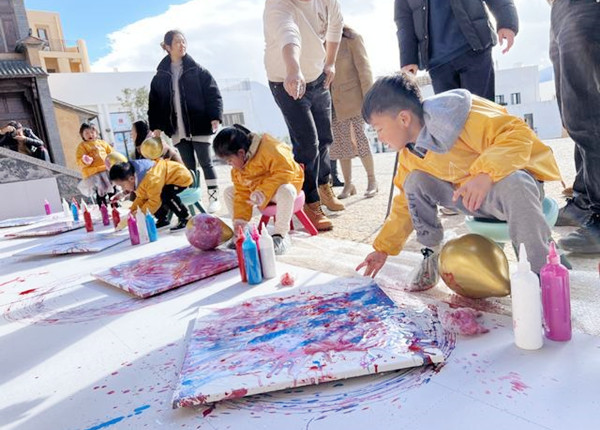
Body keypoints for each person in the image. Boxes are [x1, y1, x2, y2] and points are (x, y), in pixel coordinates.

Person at [356, 73, 562, 279]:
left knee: (516, 183)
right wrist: (383, 248)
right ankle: (431, 257)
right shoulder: (409, 154)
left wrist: (485, 174)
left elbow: (518, 134)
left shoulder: (463, 115)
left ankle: (541, 275)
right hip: (469, 198)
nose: (380, 138)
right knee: (413, 183)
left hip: (507, 191)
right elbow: (404, 205)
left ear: (403, 118)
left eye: (379, 129)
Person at [263, 0, 345, 231]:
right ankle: (310, 201)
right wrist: (293, 70)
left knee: (325, 138)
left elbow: (335, 25)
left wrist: (330, 63)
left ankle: (323, 185)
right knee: (308, 143)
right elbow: (289, 33)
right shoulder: (277, 4)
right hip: (285, 80)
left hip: (318, 75)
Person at [148, 30, 223, 214]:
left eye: (184, 41)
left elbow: (213, 94)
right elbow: (154, 103)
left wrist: (215, 116)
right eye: (177, 42)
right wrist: (156, 126)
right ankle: (193, 204)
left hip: (199, 124)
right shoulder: (160, 77)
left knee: (206, 162)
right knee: (188, 168)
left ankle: (214, 199)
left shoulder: (198, 70)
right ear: (167, 47)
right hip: (177, 129)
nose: (182, 45)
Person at [549, 0, 600, 254]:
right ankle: (583, 202)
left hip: (583, 7)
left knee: (587, 119)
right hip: (559, 10)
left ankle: (599, 216)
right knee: (574, 117)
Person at [394, 0, 518, 101]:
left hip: (474, 49)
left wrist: (507, 22)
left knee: (482, 120)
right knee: (452, 126)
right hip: (437, 64)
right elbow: (403, 17)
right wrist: (408, 58)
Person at [214, 124, 304, 255]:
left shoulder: (270, 147)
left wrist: (262, 192)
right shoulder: (237, 169)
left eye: (230, 160)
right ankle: (241, 232)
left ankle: (280, 236)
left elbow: (285, 172)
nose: (229, 165)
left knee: (287, 190)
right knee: (229, 191)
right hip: (258, 192)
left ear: (241, 153)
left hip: (283, 185)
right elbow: (241, 194)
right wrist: (240, 221)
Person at [330, 26, 377, 200]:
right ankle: (348, 184)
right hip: (334, 104)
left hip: (355, 101)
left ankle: (372, 181)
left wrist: (369, 101)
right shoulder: (322, 44)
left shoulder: (352, 38)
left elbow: (365, 71)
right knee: (341, 144)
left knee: (360, 139)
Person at [109, 158, 192, 231]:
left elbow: (154, 201)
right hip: (165, 181)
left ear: (131, 178)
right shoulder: (139, 178)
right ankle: (162, 219)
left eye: (122, 185)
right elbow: (141, 197)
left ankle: (186, 218)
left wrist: (138, 215)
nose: (123, 189)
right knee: (151, 196)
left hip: (180, 178)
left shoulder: (151, 179)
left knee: (164, 194)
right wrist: (132, 211)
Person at [76, 122, 115, 206]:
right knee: (100, 191)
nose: (90, 134)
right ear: (82, 135)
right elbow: (79, 159)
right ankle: (102, 207)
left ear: (97, 133)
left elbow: (111, 153)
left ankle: (115, 205)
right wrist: (85, 160)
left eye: (92, 132)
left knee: (112, 188)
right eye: (86, 133)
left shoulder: (103, 143)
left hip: (106, 169)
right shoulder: (83, 146)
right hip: (94, 172)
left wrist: (113, 160)